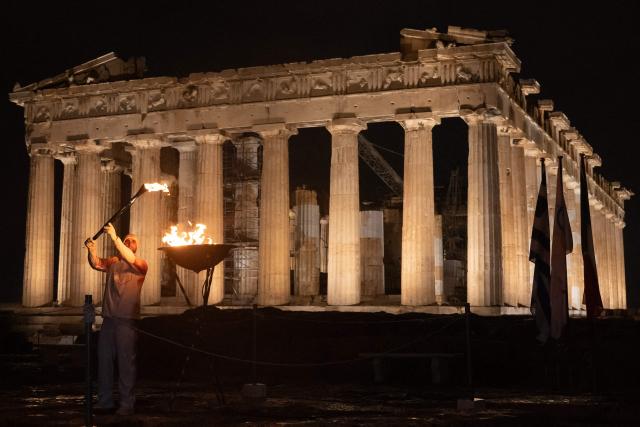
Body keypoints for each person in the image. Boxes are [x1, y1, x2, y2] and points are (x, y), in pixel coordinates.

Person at [85, 223, 148, 416]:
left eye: (132, 241)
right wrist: (92, 250)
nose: (129, 243)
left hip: (127, 321)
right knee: (104, 360)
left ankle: (127, 404)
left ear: (136, 247)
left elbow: (129, 256)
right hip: (109, 319)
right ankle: (105, 401)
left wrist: (114, 237)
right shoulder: (113, 262)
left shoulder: (141, 265)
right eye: (126, 240)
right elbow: (96, 263)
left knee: (125, 362)